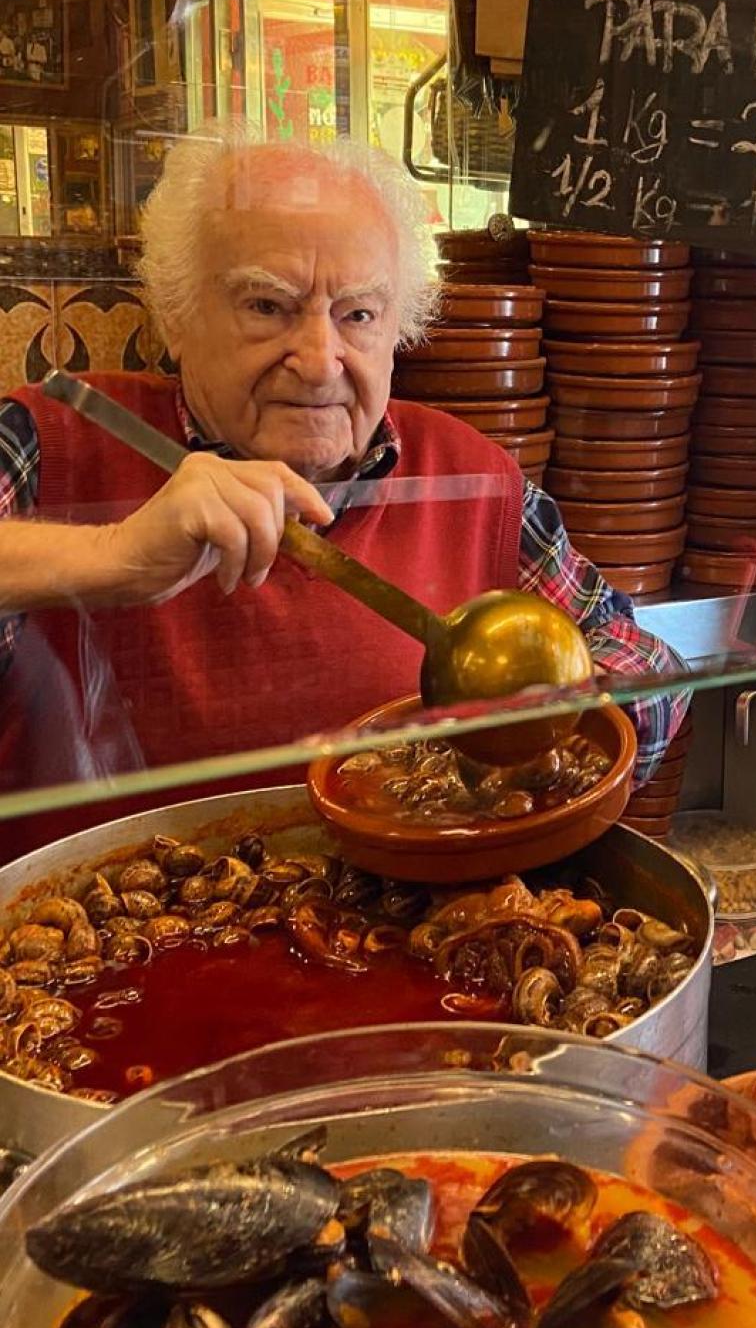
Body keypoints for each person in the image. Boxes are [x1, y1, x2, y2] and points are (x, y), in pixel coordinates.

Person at [0, 132, 687, 857]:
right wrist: (112, 555)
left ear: (398, 331)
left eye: (357, 314)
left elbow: (644, 663)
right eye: (268, 306)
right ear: (176, 316)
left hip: (407, 943)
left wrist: (534, 766)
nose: (320, 359)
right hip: (101, 946)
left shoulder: (467, 478)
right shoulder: (55, 442)